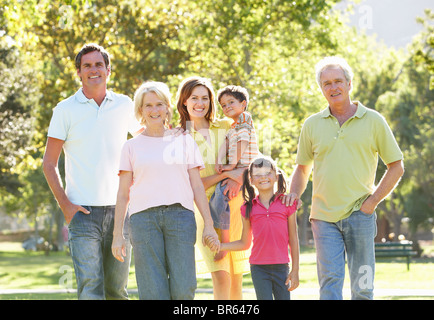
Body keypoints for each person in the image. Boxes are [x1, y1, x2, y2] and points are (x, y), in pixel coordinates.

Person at [288, 56, 404, 300]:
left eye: (338, 81)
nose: (333, 88)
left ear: (349, 84)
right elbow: (301, 168)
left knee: (363, 285)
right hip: (323, 218)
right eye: (327, 83)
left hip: (360, 216)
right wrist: (294, 196)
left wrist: (372, 202)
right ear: (321, 88)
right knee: (330, 284)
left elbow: (396, 166)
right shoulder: (312, 124)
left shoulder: (373, 121)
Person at [42, 43, 143, 299]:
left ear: (108, 70)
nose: (93, 70)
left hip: (121, 212)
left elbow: (148, 141)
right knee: (91, 289)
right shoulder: (65, 109)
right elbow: (49, 163)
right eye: (87, 65)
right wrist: (65, 205)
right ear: (78, 72)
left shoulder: (124, 105)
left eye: (99, 64)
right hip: (83, 213)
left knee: (117, 291)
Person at [111, 81, 219, 300]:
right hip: (143, 221)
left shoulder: (185, 140)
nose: (154, 110)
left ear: (167, 107)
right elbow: (123, 194)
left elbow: (197, 186)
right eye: (148, 105)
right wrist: (117, 236)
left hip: (180, 218)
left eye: (159, 104)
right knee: (152, 292)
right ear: (140, 110)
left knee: (184, 288)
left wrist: (209, 225)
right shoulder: (131, 147)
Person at [176, 76, 251, 299]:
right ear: (184, 102)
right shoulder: (179, 138)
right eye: (194, 98)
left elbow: (249, 160)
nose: (200, 103)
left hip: (236, 203)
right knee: (220, 275)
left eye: (205, 98)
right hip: (203, 210)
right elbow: (192, 185)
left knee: (236, 278)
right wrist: (228, 174)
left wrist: (239, 177)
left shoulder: (228, 126)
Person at [218, 156, 300, 300]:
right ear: (251, 180)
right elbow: (245, 243)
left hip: (282, 267)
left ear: (276, 176)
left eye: (267, 172)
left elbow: (293, 240)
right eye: (257, 174)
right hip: (258, 269)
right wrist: (221, 246)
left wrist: (295, 270)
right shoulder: (247, 209)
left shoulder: (287, 204)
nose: (263, 177)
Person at [209, 85, 259, 255]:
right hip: (237, 167)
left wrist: (231, 166)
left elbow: (242, 143)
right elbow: (226, 144)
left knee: (220, 197)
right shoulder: (233, 126)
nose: (227, 107)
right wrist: (218, 161)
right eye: (223, 105)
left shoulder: (245, 118)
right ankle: (223, 235)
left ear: (243, 104)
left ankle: (225, 242)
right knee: (216, 198)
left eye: (231, 102)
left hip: (246, 167)